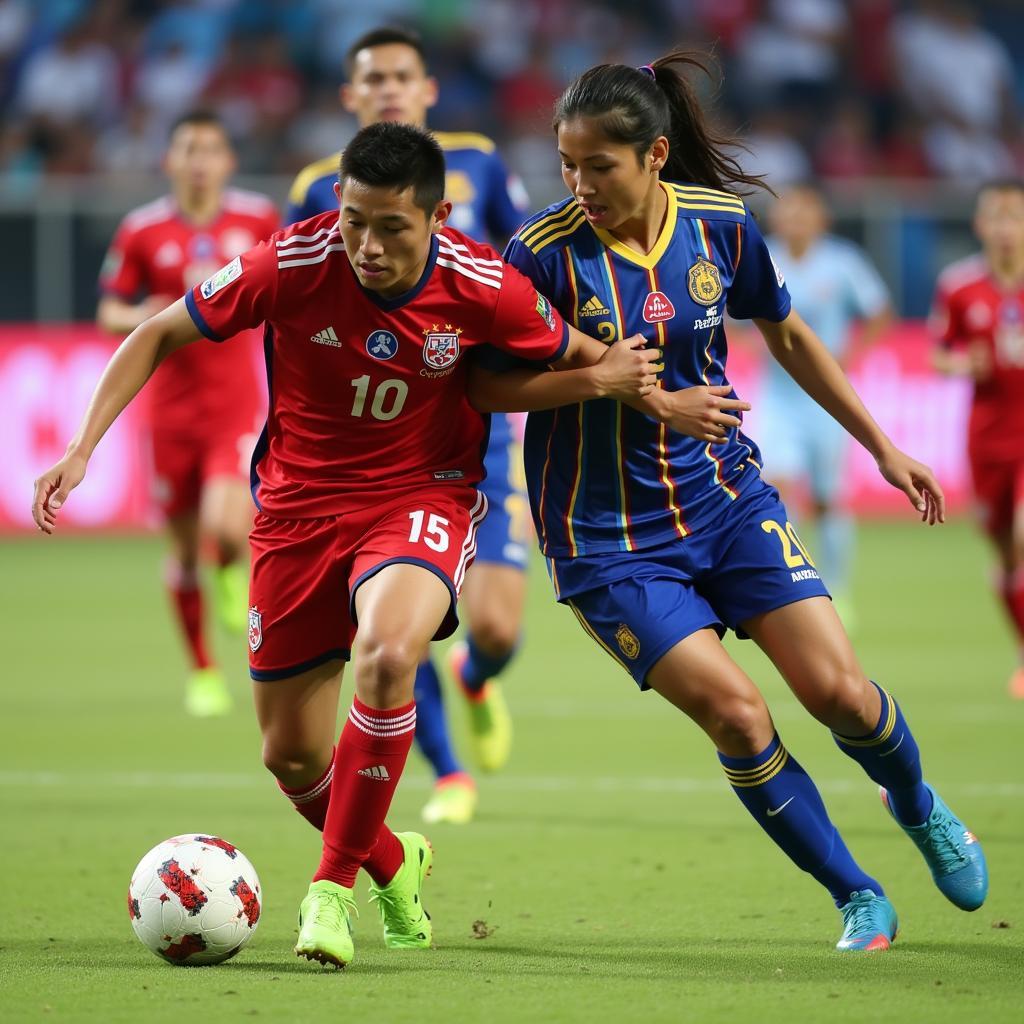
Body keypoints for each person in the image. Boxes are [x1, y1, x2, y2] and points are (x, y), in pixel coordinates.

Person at [33, 122, 660, 968]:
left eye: (392, 226)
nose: (367, 244)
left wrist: (643, 394)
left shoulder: (484, 285)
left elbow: (592, 359)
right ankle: (395, 864)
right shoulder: (291, 262)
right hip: (296, 514)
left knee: (388, 653)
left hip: (421, 497)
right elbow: (156, 334)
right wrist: (80, 448)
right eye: (355, 219)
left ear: (437, 216)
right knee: (291, 756)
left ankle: (327, 895)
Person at [471, 53, 988, 952]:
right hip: (606, 543)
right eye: (567, 164)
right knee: (739, 716)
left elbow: (788, 333)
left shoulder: (720, 228)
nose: (580, 184)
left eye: (600, 165)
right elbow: (486, 386)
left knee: (841, 695)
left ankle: (916, 803)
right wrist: (610, 383)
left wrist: (882, 446)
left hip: (725, 504)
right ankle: (856, 895)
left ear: (656, 154)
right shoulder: (543, 255)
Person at [287, 26, 533, 825]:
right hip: (378, 441)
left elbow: (524, 263)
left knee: (494, 624)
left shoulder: (481, 159)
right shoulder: (317, 187)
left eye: (402, 76)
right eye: (373, 78)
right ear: (348, 96)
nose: (388, 88)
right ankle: (449, 769)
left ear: (429, 89)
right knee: (392, 624)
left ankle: (478, 676)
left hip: (479, 417)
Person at [97, 109, 278, 717]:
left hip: (234, 406)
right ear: (170, 160)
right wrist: (154, 312)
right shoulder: (142, 231)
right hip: (170, 413)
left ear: (227, 161)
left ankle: (229, 566)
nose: (199, 161)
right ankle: (202, 669)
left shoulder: (257, 219)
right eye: (188, 149)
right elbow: (110, 314)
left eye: (210, 149)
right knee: (180, 550)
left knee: (227, 529)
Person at [761, 181, 892, 625]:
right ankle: (795, 584)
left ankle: (838, 590)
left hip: (826, 401)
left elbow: (879, 310)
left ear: (821, 218)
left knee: (827, 499)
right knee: (776, 485)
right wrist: (746, 342)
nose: (794, 220)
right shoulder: (762, 255)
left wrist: (852, 356)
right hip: (778, 396)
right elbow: (723, 310)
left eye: (803, 211)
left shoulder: (842, 262)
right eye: (788, 212)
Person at [931, 179, 1024, 699]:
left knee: (1023, 535)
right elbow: (938, 352)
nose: (1007, 228)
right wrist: (965, 362)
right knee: (1006, 557)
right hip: (987, 438)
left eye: (1016, 216)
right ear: (980, 225)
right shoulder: (960, 286)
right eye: (998, 217)